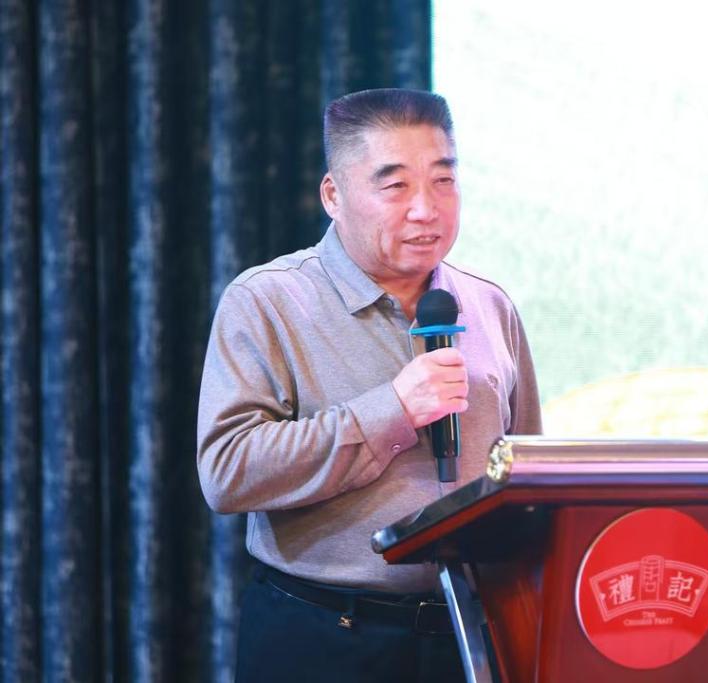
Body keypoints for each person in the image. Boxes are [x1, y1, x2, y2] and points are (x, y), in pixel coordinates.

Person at [196, 88, 542, 681]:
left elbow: (526, 473)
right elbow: (228, 471)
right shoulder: (268, 300)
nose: (426, 209)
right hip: (324, 635)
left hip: (470, 638)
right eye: (396, 185)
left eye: (443, 180)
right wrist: (393, 410)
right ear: (333, 195)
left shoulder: (489, 305)